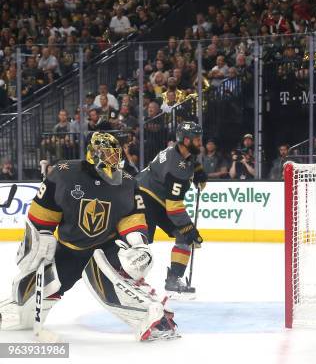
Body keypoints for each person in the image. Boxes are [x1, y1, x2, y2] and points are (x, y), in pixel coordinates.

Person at [0, 132, 177, 341]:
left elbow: (132, 217)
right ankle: (16, 311)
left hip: (105, 247)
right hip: (69, 249)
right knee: (45, 283)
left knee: (110, 279)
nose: (113, 162)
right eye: (108, 156)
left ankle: (153, 317)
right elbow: (42, 212)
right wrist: (41, 235)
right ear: (94, 155)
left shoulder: (128, 183)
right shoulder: (64, 174)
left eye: (115, 157)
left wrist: (138, 243)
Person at [136, 122, 207, 298]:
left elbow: (190, 160)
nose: (200, 143)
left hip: (160, 200)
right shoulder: (176, 169)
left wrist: (197, 169)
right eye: (197, 140)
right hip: (144, 196)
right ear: (185, 140)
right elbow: (174, 207)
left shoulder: (180, 151)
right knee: (140, 241)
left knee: (183, 236)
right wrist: (189, 229)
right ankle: (130, 277)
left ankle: (173, 281)